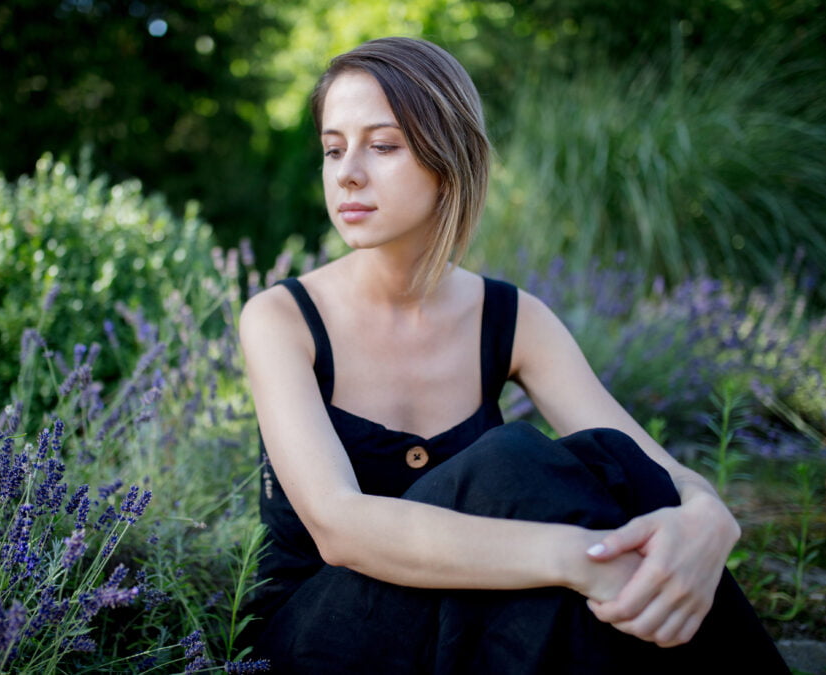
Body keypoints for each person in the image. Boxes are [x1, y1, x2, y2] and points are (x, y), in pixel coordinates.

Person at [238, 37, 788, 674]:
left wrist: (708, 518)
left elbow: (651, 468)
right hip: (324, 632)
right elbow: (341, 527)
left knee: (610, 459)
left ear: (451, 161)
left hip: (461, 617)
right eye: (334, 148)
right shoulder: (281, 318)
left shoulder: (513, 317)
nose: (347, 172)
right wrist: (580, 560)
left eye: (383, 145)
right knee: (511, 461)